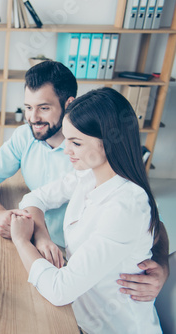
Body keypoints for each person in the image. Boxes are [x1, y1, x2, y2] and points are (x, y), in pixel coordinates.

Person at [0, 61, 168, 300]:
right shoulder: (85, 172)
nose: (32, 117)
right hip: (59, 266)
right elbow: (27, 194)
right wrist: (33, 233)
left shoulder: (118, 196)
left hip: (78, 287)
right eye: (28, 107)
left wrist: (163, 267)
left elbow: (151, 224)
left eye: (43, 107)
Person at [10, 87, 163, 333]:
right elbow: (35, 197)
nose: (66, 149)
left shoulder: (126, 206)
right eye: (66, 138)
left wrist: (21, 240)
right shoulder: (88, 175)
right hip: (78, 315)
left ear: (109, 142)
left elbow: (60, 291)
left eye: (76, 142)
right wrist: (41, 238)